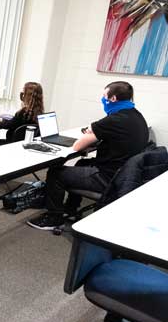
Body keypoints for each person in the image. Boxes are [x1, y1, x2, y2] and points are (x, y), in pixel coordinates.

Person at [27, 81, 149, 230]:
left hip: (107, 177)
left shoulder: (114, 119)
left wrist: (92, 133)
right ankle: (70, 210)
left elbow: (78, 146)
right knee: (81, 164)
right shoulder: (136, 116)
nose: (102, 98)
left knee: (55, 173)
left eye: (105, 95)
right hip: (122, 174)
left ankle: (54, 218)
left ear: (113, 99)